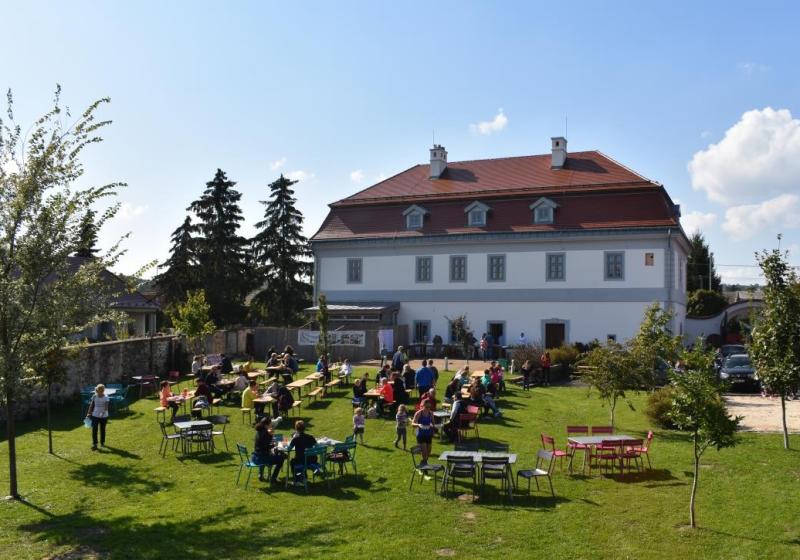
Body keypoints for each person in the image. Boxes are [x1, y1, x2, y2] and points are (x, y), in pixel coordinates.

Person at [253, 416, 286, 484]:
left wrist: (271, 437)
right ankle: (273, 478)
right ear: (266, 425)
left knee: (277, 455)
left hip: (255, 456)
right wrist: (275, 444)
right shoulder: (265, 433)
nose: (271, 425)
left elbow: (264, 445)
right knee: (281, 458)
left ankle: (261, 475)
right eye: (270, 424)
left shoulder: (259, 431)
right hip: (263, 458)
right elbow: (267, 446)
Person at [288, 420, 318, 485]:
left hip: (301, 460)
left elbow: (289, 449)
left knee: (293, 462)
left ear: (296, 429)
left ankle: (297, 481)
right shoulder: (310, 437)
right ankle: (304, 478)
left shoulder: (295, 438)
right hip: (311, 460)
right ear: (304, 428)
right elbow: (317, 447)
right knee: (300, 459)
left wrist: (293, 438)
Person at [86, 384, 111, 450]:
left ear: (103, 390)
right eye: (99, 390)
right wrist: (88, 413)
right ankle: (95, 444)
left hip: (104, 416)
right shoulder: (94, 396)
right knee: (94, 430)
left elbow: (106, 408)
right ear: (97, 390)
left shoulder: (106, 397)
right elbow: (91, 405)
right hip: (95, 415)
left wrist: (101, 414)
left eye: (102, 390)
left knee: (102, 429)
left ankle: (102, 442)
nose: (101, 391)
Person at [412, 400, 435, 465]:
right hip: (420, 434)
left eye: (429, 407)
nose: (428, 408)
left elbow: (433, 422)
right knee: (424, 452)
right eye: (427, 407)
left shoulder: (431, 413)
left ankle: (423, 463)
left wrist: (432, 425)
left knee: (428, 452)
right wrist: (418, 425)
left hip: (428, 434)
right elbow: (412, 424)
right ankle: (424, 465)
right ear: (422, 406)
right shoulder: (418, 413)